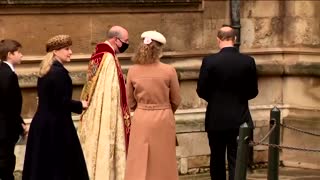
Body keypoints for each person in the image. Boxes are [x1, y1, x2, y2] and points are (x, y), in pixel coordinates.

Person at [22, 35, 89, 180]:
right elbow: (60, 101)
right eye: (67, 49)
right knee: (59, 167)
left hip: (44, 124)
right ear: (55, 52)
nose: (70, 52)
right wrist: (80, 104)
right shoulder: (58, 73)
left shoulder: (47, 70)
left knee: (44, 167)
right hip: (56, 127)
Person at [196, 25, 259, 180]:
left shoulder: (209, 61)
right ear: (235, 39)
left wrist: (216, 100)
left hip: (215, 119)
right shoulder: (248, 61)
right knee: (236, 160)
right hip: (240, 118)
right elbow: (253, 91)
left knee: (216, 159)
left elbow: (201, 90)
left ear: (218, 39)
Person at [124, 30, 181, 180]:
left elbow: (129, 100)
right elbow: (176, 99)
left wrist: (141, 108)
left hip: (141, 117)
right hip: (163, 117)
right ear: (159, 50)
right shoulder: (169, 71)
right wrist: (166, 109)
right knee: (163, 158)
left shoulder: (132, 71)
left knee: (140, 157)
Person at [78, 25, 131, 180]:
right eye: (126, 41)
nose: (127, 43)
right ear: (116, 40)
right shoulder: (108, 58)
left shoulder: (98, 53)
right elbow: (111, 92)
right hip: (107, 111)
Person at [0, 39, 27, 180]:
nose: (21, 55)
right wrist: (19, 124)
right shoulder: (8, 75)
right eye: (19, 52)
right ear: (10, 54)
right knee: (6, 165)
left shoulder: (3, 71)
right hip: (5, 129)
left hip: (5, 126)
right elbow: (9, 105)